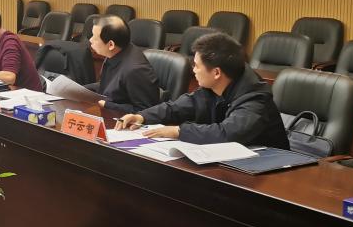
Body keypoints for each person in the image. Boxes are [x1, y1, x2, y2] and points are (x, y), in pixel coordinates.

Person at [115, 33, 289, 148]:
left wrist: (178, 131)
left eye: (197, 66)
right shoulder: (215, 85)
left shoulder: (255, 98)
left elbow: (228, 133)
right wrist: (142, 116)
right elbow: (178, 107)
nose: (193, 70)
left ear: (216, 73)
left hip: (269, 171)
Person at [88, 15, 160, 114]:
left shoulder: (135, 70)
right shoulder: (117, 52)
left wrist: (106, 105)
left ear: (111, 45)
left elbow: (145, 111)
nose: (90, 40)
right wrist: (77, 90)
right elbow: (107, 86)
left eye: (95, 38)